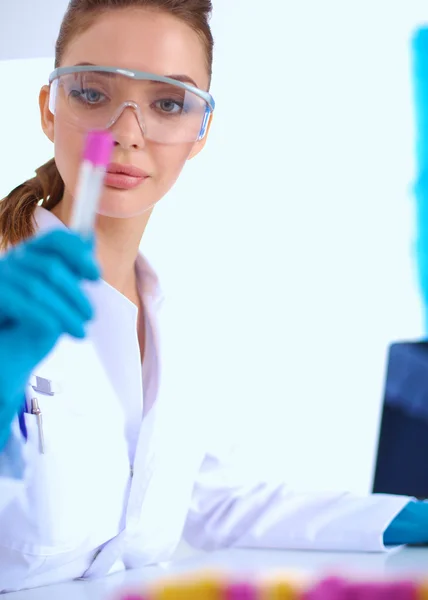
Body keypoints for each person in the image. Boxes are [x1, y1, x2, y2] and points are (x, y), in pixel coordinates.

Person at [0, 0, 427, 592]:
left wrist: (403, 517)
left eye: (167, 103)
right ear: (50, 109)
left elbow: (218, 500)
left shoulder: (175, 321)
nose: (126, 132)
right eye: (93, 93)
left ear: (199, 131)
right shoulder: (9, 297)